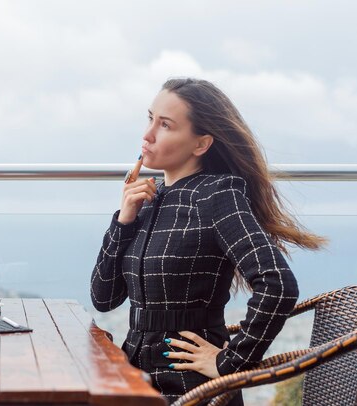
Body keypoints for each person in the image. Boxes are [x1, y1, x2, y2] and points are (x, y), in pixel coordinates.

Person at [90, 78, 326, 404]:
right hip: (135, 378)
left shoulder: (218, 195)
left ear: (200, 144)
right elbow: (104, 298)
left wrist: (231, 363)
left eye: (166, 125)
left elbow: (278, 285)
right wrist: (124, 219)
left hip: (189, 386)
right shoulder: (148, 200)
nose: (147, 135)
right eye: (150, 119)